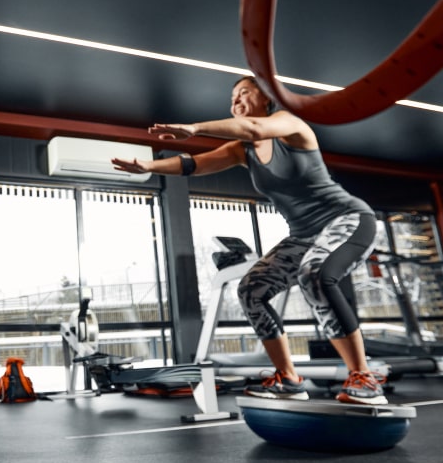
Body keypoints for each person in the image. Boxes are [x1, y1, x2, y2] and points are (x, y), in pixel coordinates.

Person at [112, 76, 384, 406]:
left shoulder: (289, 124)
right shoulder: (243, 151)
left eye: (244, 93)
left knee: (314, 273)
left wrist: (195, 128)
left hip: (348, 219)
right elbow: (194, 164)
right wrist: (148, 166)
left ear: (266, 99)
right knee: (251, 290)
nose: (236, 100)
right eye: (232, 97)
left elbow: (255, 128)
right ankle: (288, 379)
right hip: (303, 235)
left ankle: (363, 377)